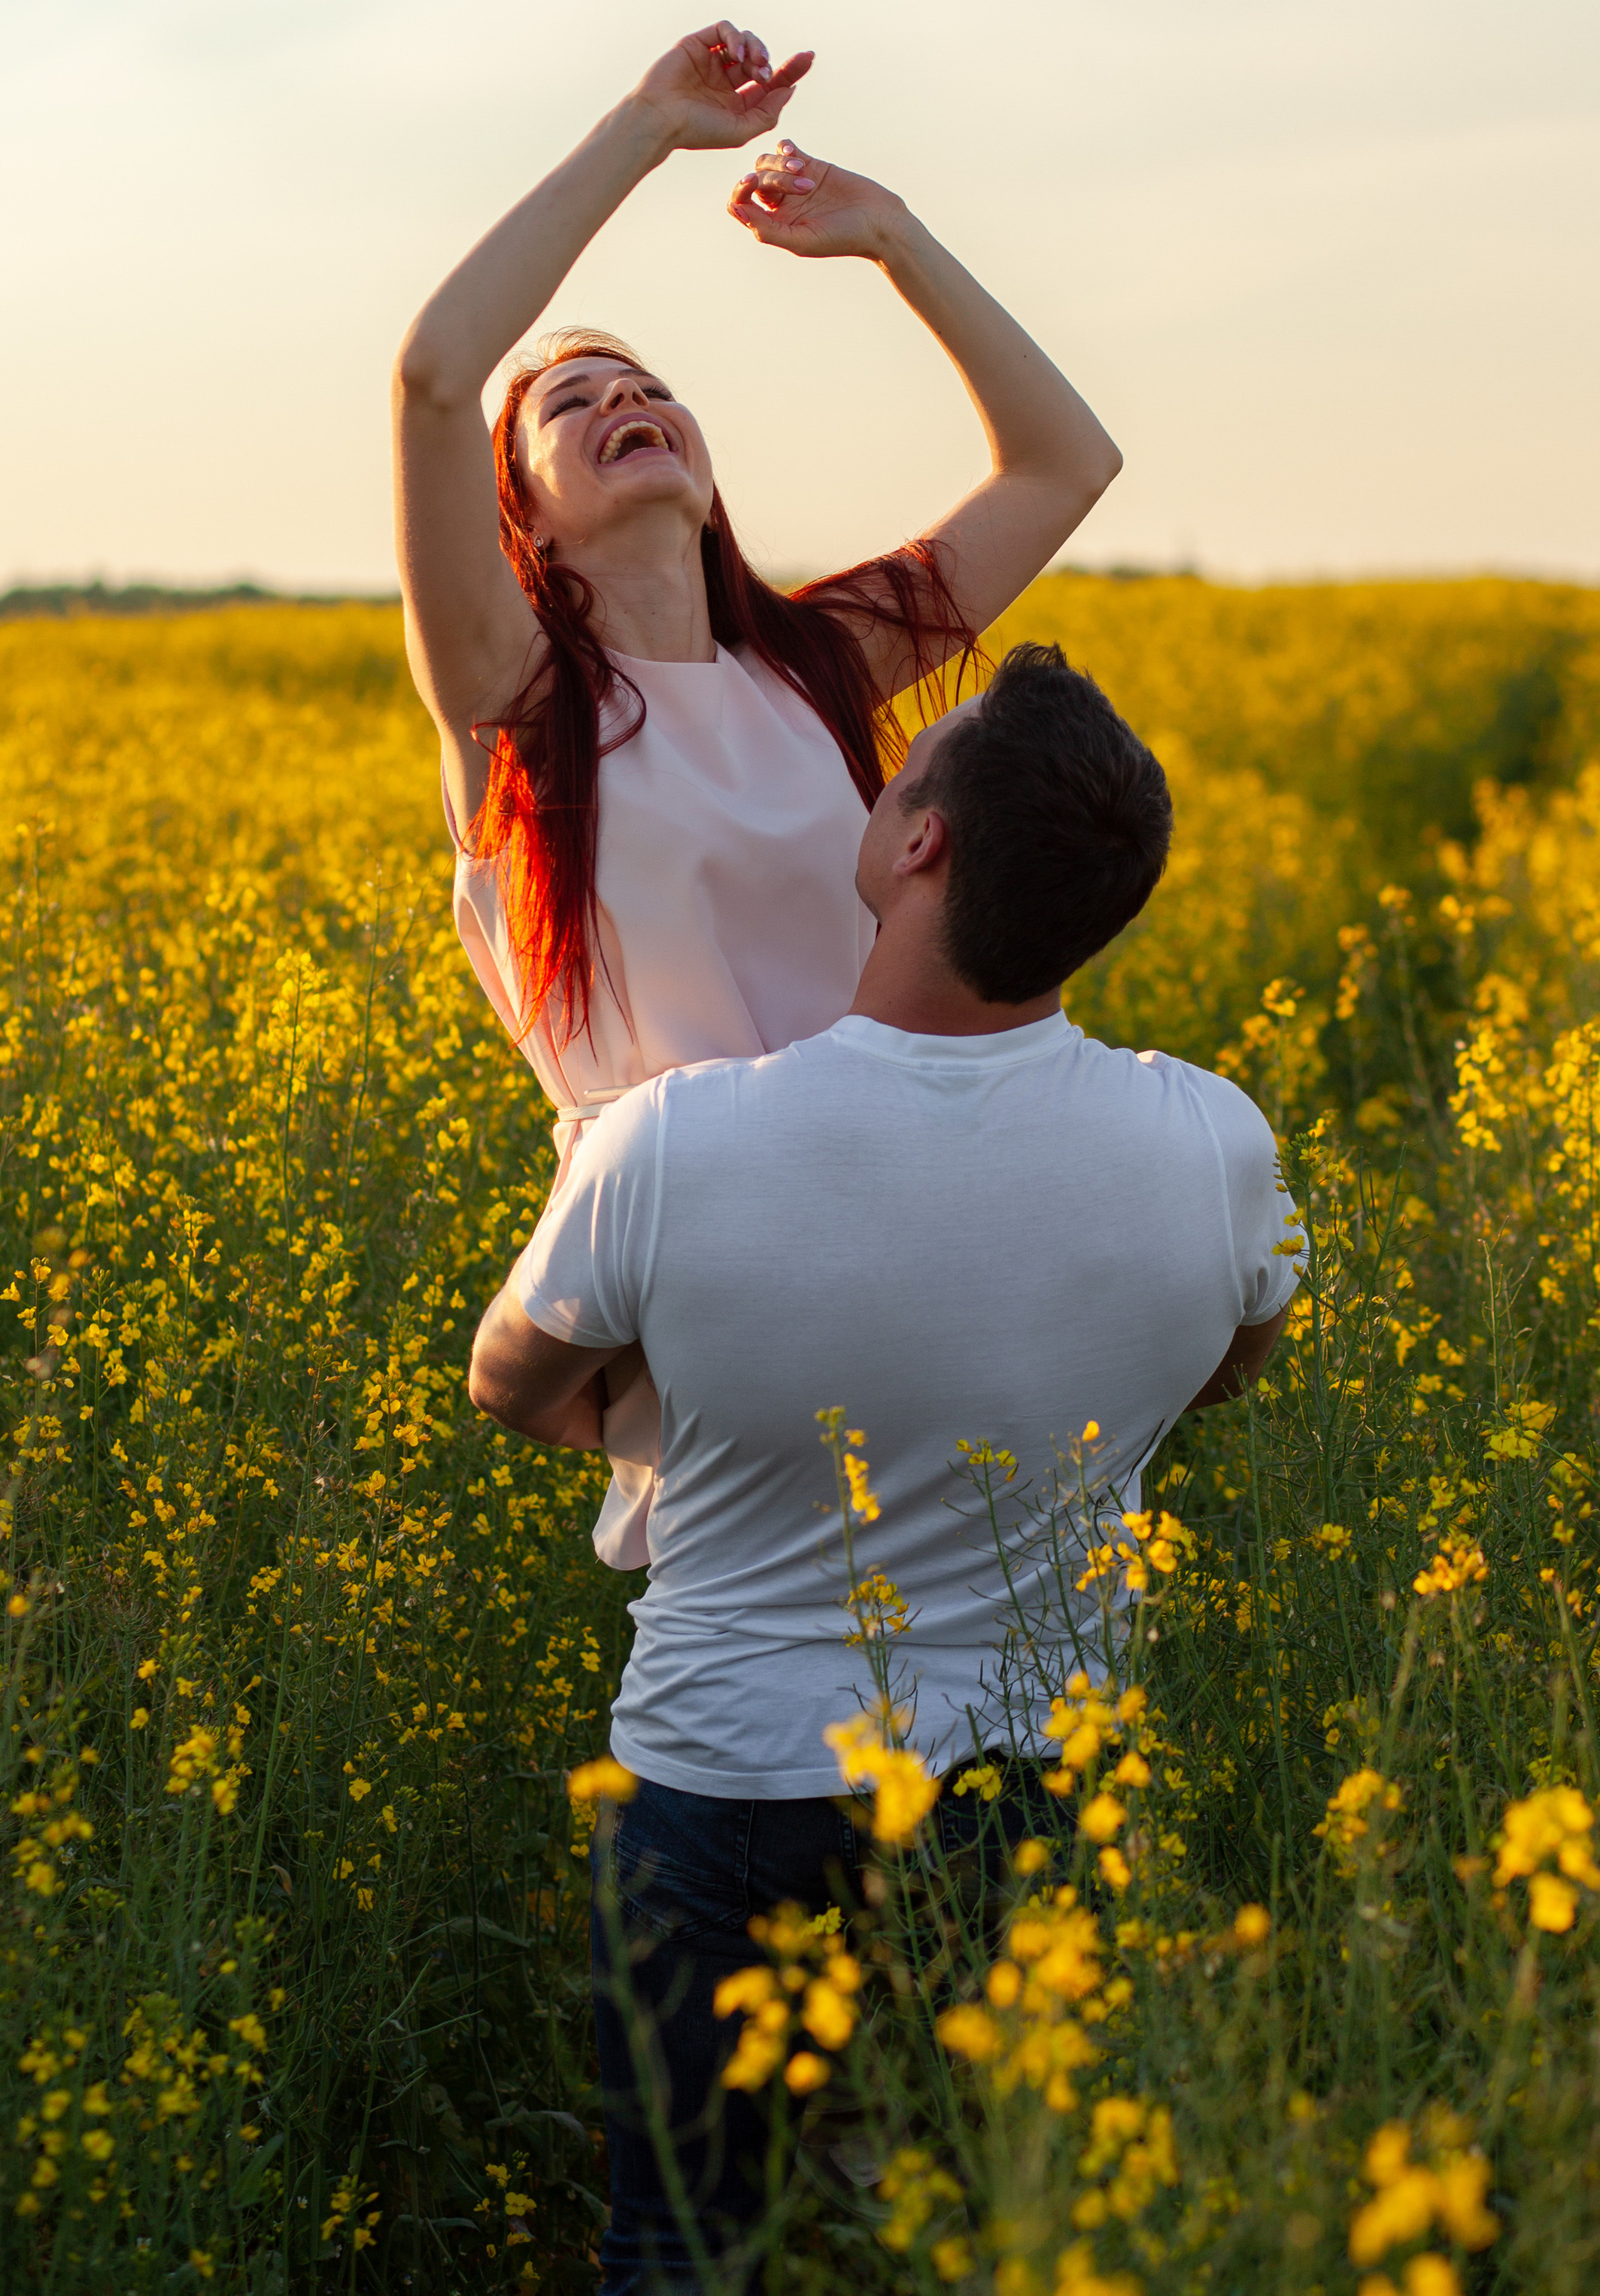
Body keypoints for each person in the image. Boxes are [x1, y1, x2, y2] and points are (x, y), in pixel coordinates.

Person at [468, 645, 1306, 2292]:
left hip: (720, 1782)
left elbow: (512, 1379)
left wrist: (683, 1424)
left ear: (917, 843)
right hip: (1026, 1785)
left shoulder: (675, 1138)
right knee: (983, 2238)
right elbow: (1227, 1366)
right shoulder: (1213, 1139)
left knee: (682, 2245)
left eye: (903, 771)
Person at [393, 20, 1120, 1564]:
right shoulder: (517, 709)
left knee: (994, 1662)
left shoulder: (814, 664)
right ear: (513, 507)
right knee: (769, 1683)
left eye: (642, 385)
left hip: (924, 1209)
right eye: (568, 406)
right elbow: (433, 376)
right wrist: (646, 132)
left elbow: (1063, 465)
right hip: (698, 1261)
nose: (619, 401)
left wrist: (893, 243)